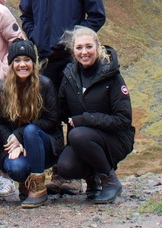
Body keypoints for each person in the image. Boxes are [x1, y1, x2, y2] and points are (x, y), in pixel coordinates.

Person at [19, 0, 105, 195]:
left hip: (73, 63)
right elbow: (26, 14)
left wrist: (75, 41)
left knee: (75, 117)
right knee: (50, 115)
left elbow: (97, 15)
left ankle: (83, 174)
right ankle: (57, 172)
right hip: (45, 64)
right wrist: (34, 36)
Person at [55, 26, 134, 204]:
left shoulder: (111, 75)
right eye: (79, 47)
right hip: (85, 140)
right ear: (73, 50)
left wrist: (85, 119)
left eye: (89, 46)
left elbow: (123, 119)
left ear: (98, 47)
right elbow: (61, 110)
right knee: (65, 166)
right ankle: (93, 180)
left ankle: (110, 181)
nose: (84, 52)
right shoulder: (69, 75)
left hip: (115, 140)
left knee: (77, 134)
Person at [0, 39, 63, 207]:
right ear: (11, 64)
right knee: (16, 168)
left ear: (33, 63)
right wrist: (11, 141)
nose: (22, 65)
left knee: (31, 130)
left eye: (27, 60)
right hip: (15, 147)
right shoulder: (2, 89)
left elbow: (52, 121)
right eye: (17, 60)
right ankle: (25, 184)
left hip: (44, 144)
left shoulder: (45, 85)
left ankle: (38, 187)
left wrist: (20, 135)